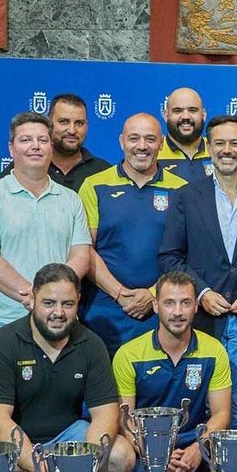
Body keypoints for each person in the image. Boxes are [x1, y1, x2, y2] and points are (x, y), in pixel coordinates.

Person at [0, 263, 137, 472]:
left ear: (78, 304)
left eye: (68, 304)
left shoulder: (91, 345)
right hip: (11, 441)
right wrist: (37, 466)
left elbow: (105, 414)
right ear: (32, 300)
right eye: (49, 303)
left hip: (65, 438)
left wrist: (84, 464)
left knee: (121, 456)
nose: (58, 312)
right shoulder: (2, 344)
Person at [159, 115, 237, 441]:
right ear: (208, 147)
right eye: (220, 143)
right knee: (198, 407)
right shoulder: (187, 196)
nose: (227, 150)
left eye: (234, 143)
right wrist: (201, 293)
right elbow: (170, 257)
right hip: (201, 321)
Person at [113, 270, 232, 472]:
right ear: (155, 306)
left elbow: (222, 413)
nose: (177, 312)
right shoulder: (128, 354)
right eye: (169, 303)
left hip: (193, 438)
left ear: (196, 306)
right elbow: (126, 421)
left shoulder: (214, 350)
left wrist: (196, 449)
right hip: (148, 443)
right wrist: (158, 455)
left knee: (235, 462)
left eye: (185, 303)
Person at [0, 111, 91, 331]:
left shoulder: (71, 199)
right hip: (5, 319)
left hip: (61, 319)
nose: (35, 146)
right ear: (11, 148)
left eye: (43, 140)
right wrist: (37, 298)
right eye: (26, 140)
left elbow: (81, 257)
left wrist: (52, 299)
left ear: (51, 148)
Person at [78, 113, 187, 355]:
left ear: (161, 143)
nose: (141, 146)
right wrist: (120, 294)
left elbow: (186, 253)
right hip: (103, 311)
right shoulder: (94, 185)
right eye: (134, 138)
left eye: (150, 139)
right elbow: (84, 248)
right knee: (106, 391)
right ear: (121, 141)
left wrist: (152, 295)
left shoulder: (181, 189)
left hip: (162, 311)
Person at [0, 94, 110, 191]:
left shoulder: (103, 171)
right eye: (63, 122)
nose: (72, 130)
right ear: (49, 124)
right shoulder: (21, 169)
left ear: (87, 126)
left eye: (79, 123)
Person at [158, 87, 212, 182]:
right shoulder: (152, 153)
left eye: (193, 110)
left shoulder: (219, 150)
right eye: (178, 111)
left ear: (203, 115)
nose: (186, 117)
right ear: (166, 116)